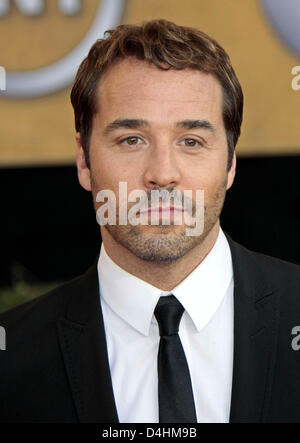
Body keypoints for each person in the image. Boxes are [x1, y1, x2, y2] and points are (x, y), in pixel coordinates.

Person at [0, 19, 300, 424]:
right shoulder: (12, 356)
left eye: (191, 141)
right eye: (131, 140)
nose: (162, 173)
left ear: (230, 162)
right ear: (84, 161)